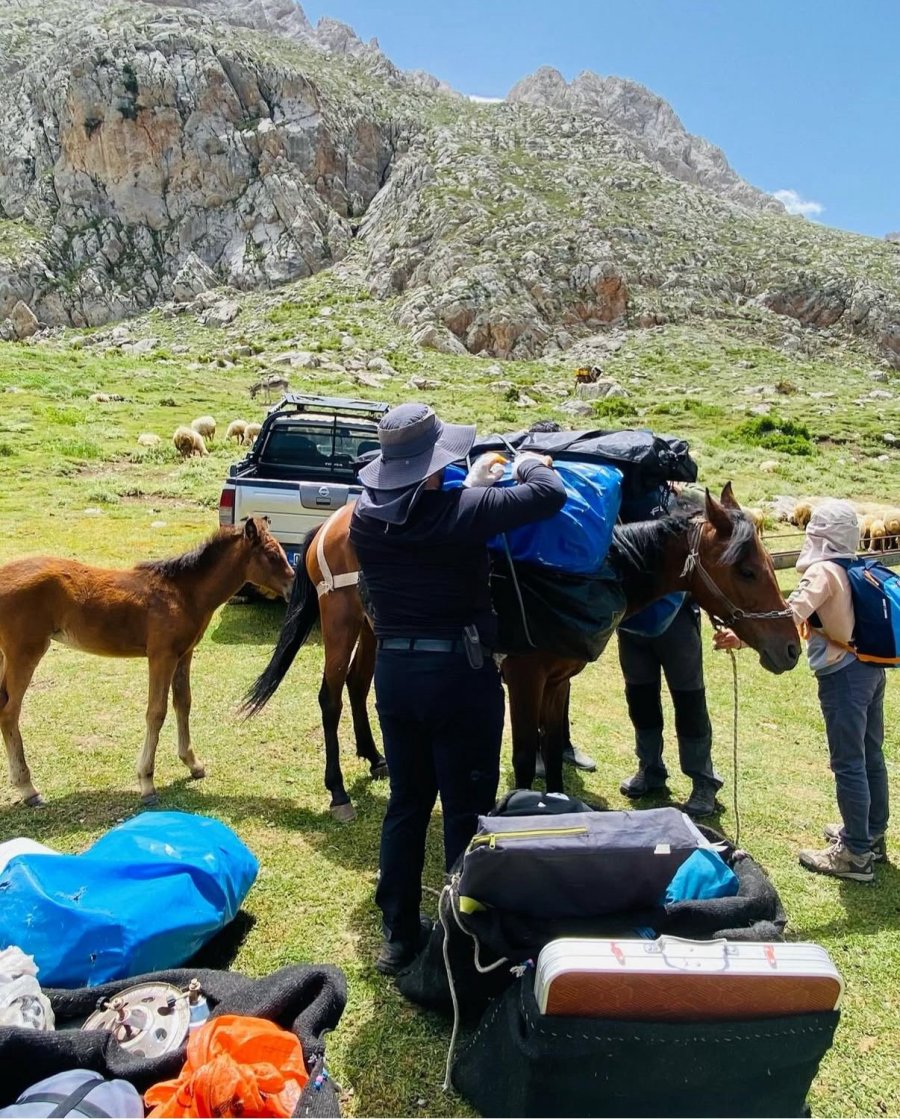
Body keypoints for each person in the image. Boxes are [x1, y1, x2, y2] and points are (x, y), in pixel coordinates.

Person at [350, 403, 567, 973]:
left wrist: (468, 486)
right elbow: (549, 495)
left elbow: (422, 514)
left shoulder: (363, 520)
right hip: (459, 678)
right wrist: (532, 462)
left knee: (407, 804)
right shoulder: (464, 508)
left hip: (395, 677)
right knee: (466, 810)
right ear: (432, 465)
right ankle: (461, 936)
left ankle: (397, 934)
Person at [715, 500, 888, 882]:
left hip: (842, 676)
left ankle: (855, 855)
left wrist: (740, 639)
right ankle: (872, 834)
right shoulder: (858, 565)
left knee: (848, 762)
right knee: (869, 753)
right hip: (871, 669)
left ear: (818, 534)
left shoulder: (823, 572)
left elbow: (789, 616)